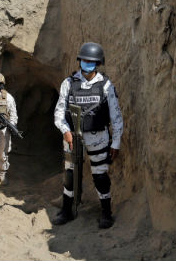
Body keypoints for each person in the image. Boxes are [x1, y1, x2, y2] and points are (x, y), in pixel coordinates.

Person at [52, 42, 123, 229]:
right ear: (79, 61)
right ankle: (67, 210)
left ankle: (106, 213)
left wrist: (116, 142)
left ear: (98, 63)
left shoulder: (106, 85)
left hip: (98, 136)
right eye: (84, 60)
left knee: (100, 176)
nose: (87, 64)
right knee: (70, 175)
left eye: (91, 61)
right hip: (72, 137)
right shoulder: (68, 83)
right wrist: (66, 131)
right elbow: (59, 113)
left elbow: (116, 116)